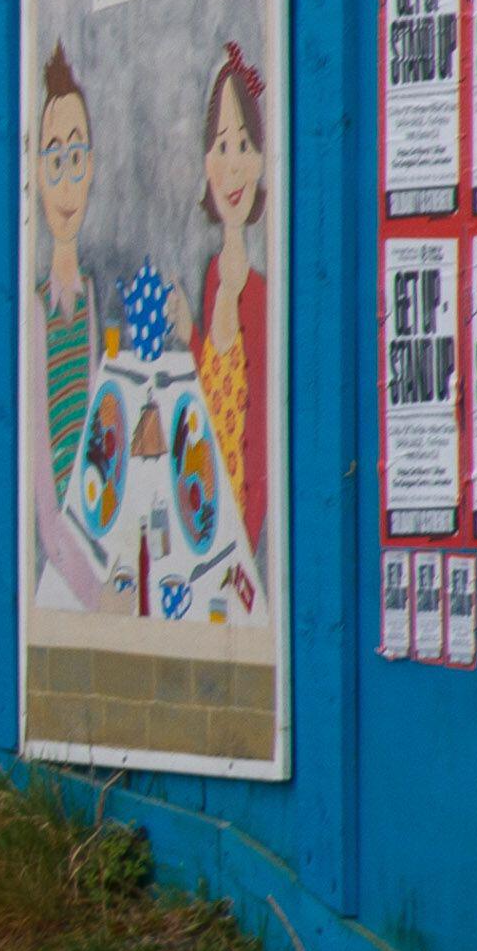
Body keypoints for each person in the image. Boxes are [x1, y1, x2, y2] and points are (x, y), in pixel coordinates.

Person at [190, 43, 274, 602]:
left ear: (263, 158)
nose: (235, 162)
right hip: (201, 503)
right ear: (207, 163)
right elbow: (208, 376)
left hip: (239, 520)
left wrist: (242, 537)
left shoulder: (261, 293)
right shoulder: (212, 274)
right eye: (223, 146)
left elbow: (260, 422)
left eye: (245, 144)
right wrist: (186, 334)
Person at [30, 44, 110, 602]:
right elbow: (47, 514)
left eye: (76, 157)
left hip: (95, 532)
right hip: (65, 577)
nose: (66, 180)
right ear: (36, 172)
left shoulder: (89, 300)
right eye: (54, 159)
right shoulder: (36, 314)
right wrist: (97, 595)